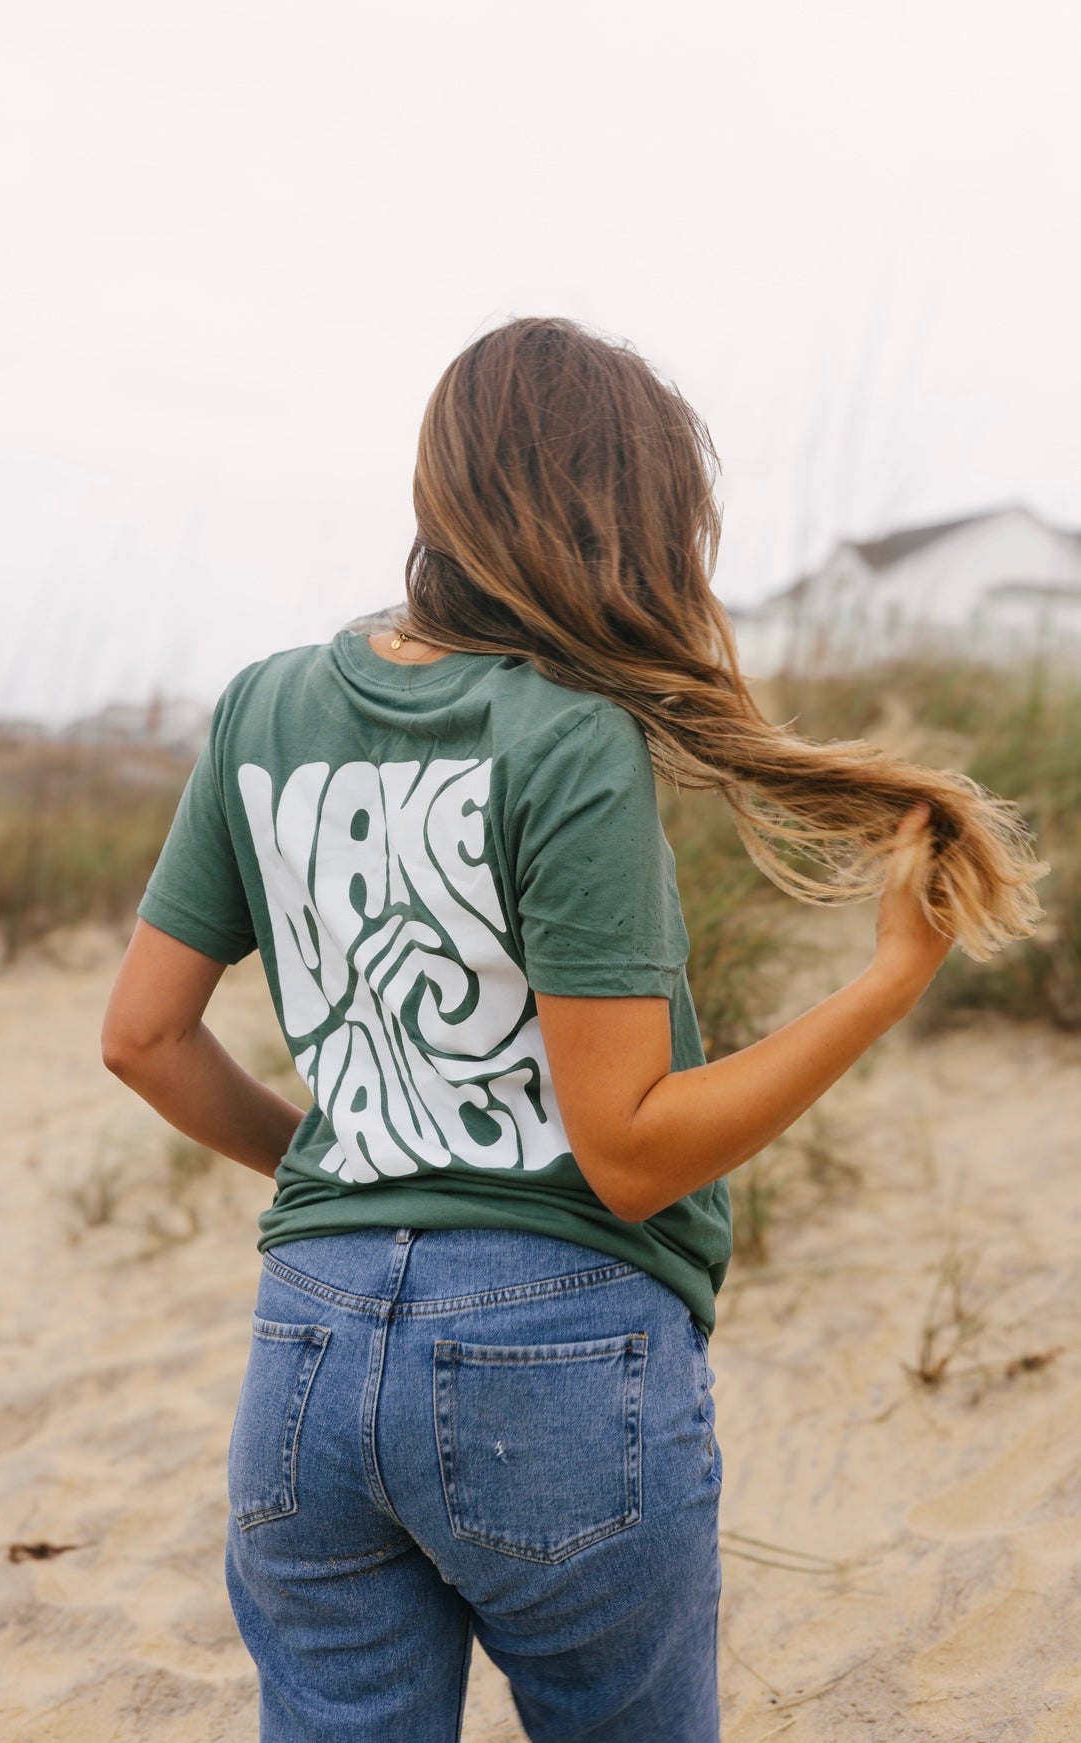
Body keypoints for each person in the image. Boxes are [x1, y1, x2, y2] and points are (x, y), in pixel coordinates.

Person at [101, 316, 1044, 1743]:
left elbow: (142, 1038)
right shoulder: (568, 733)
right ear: (631, 514)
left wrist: (353, 1170)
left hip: (309, 1345)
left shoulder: (260, 707)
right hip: (550, 1357)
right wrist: (885, 984)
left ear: (444, 484)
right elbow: (633, 1154)